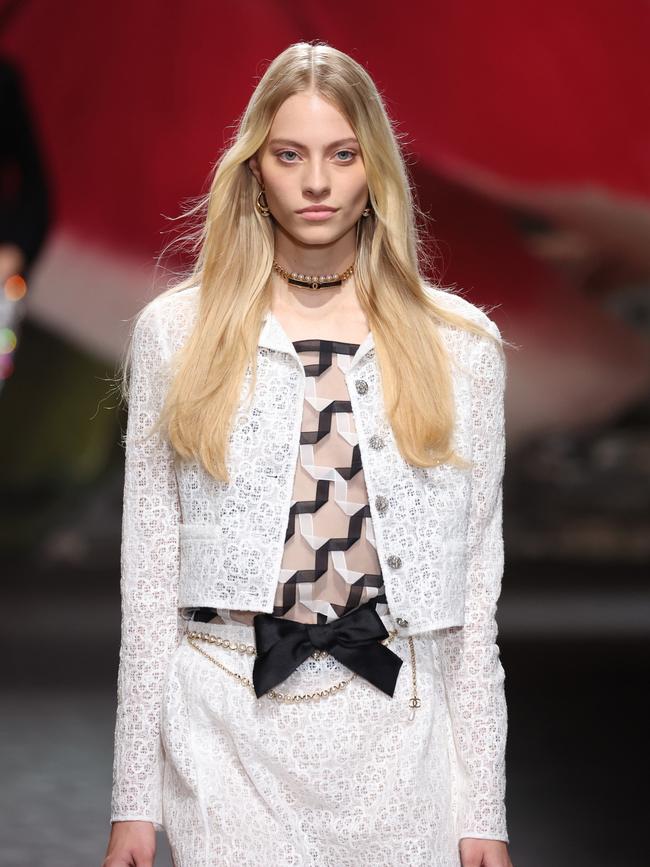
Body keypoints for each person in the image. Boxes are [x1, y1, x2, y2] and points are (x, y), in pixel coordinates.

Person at [102, 41, 513, 867]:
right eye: (290, 155)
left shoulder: (461, 347)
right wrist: (132, 801)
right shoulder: (177, 336)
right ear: (256, 170)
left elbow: (474, 603)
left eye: (342, 154)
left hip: (401, 736)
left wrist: (485, 811)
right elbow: (148, 583)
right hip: (223, 722)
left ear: (376, 171)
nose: (316, 182)